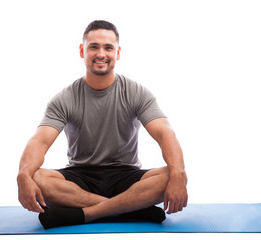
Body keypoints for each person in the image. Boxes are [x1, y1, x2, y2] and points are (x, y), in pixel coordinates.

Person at [17, 20, 188, 229]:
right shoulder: (64, 98)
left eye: (108, 47)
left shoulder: (137, 93)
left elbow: (165, 134)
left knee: (172, 174)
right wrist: (23, 176)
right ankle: (131, 209)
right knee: (37, 177)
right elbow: (39, 142)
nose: (101, 54)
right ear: (82, 50)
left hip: (126, 175)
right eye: (94, 47)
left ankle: (88, 214)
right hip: (80, 175)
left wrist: (179, 175)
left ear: (118, 52)